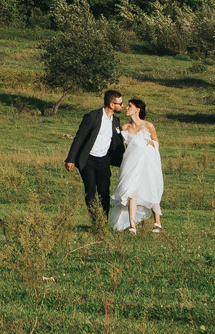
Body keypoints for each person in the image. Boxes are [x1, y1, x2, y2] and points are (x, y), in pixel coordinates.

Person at [63, 88, 128, 226]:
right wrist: (70, 159)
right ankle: (95, 220)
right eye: (120, 103)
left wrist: (125, 160)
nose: (122, 106)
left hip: (103, 160)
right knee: (90, 190)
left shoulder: (115, 121)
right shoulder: (92, 117)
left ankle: (103, 221)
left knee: (104, 191)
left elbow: (117, 143)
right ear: (112, 104)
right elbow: (79, 138)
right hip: (88, 159)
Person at [112, 98, 164, 233]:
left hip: (146, 162)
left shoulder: (148, 126)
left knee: (150, 187)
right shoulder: (125, 127)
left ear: (137, 109)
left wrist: (147, 142)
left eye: (129, 106)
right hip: (131, 163)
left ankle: (157, 222)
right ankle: (132, 225)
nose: (126, 108)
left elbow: (156, 143)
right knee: (131, 191)